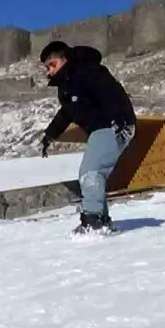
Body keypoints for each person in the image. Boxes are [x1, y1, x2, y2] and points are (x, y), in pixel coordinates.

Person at [38, 41, 137, 234]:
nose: (48, 71)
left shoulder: (87, 71)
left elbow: (110, 92)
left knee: (90, 172)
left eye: (53, 64)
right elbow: (66, 114)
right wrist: (50, 135)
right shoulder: (67, 86)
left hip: (114, 125)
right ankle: (102, 219)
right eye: (46, 67)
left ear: (65, 59)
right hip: (101, 129)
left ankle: (93, 220)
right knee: (93, 173)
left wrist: (119, 121)